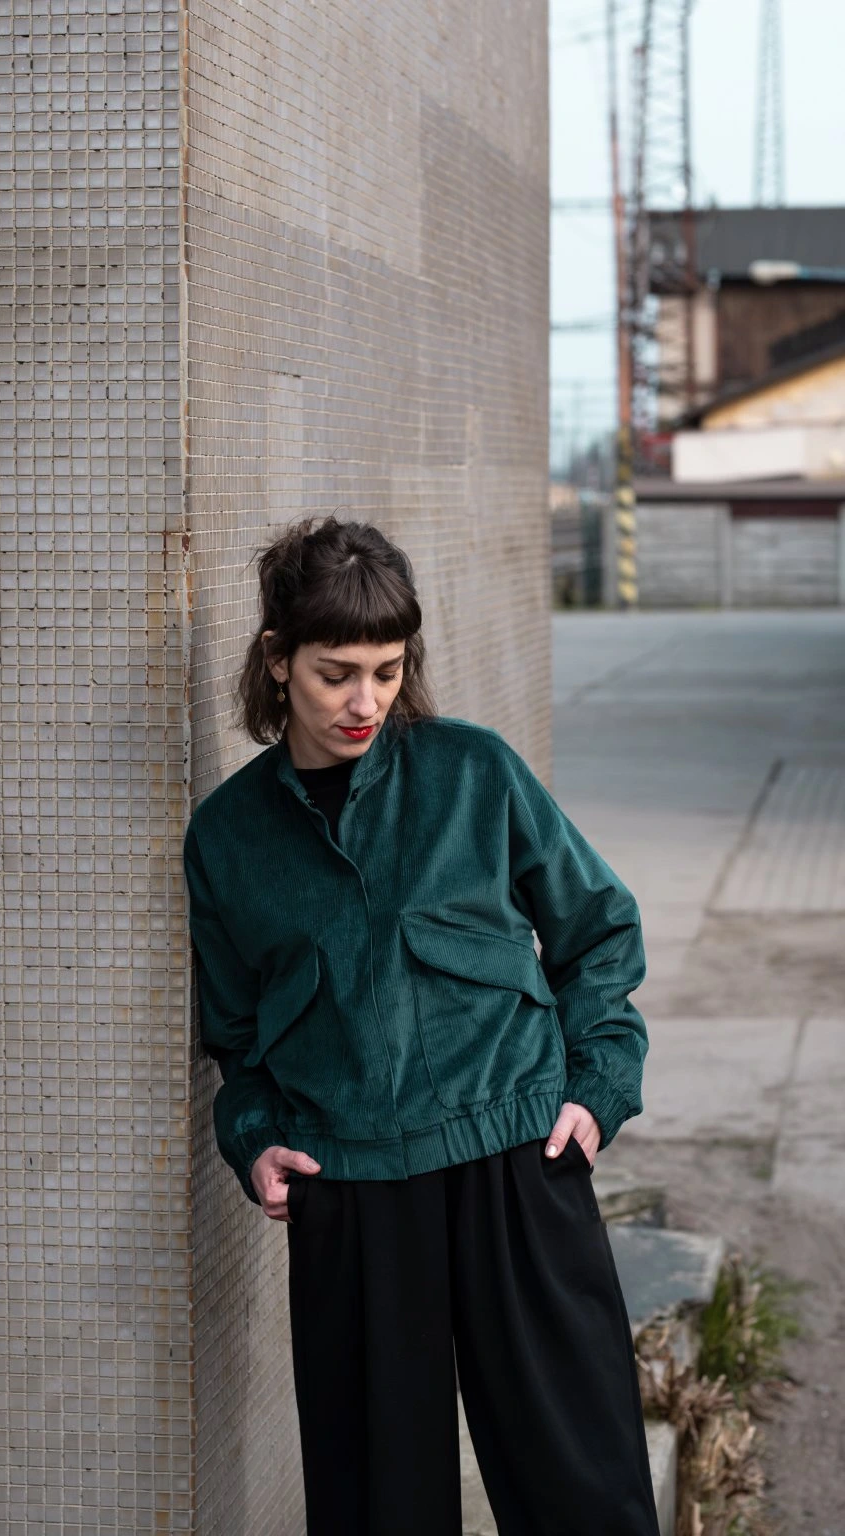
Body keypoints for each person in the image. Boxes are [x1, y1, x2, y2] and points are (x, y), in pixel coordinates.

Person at [182, 515, 661, 1536]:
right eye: (336, 674)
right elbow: (237, 1039)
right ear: (278, 660)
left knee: (583, 1491)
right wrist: (254, 1141)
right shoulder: (227, 839)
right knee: (378, 1507)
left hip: (515, 1162)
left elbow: (599, 931)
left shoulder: (474, 774)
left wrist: (597, 1087)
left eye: (388, 672)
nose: (366, 702)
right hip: (350, 1194)